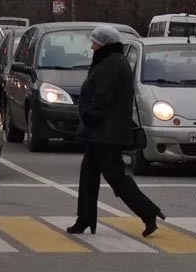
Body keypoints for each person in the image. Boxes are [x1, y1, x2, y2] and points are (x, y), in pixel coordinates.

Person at [67, 25, 164, 237]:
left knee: (116, 178)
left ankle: (149, 212)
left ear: (104, 44)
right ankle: (84, 220)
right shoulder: (109, 61)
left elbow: (103, 96)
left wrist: (91, 115)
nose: (92, 46)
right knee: (88, 178)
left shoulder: (111, 64)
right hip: (100, 132)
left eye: (95, 42)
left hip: (106, 133)